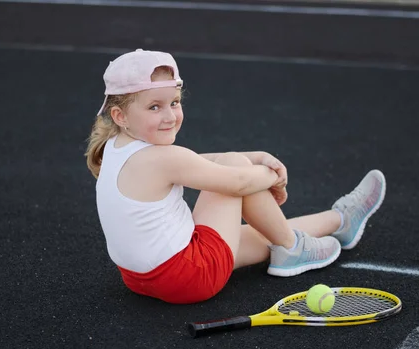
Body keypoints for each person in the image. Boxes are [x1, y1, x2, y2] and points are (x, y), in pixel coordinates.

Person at [85, 49, 386, 304]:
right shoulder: (162, 157)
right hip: (190, 275)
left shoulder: (116, 147)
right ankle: (293, 250)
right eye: (155, 107)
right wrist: (271, 175)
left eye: (174, 103)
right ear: (120, 116)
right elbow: (238, 183)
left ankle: (340, 221)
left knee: (265, 231)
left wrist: (255, 158)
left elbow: (192, 163)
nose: (170, 116)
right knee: (235, 165)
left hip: (141, 278)